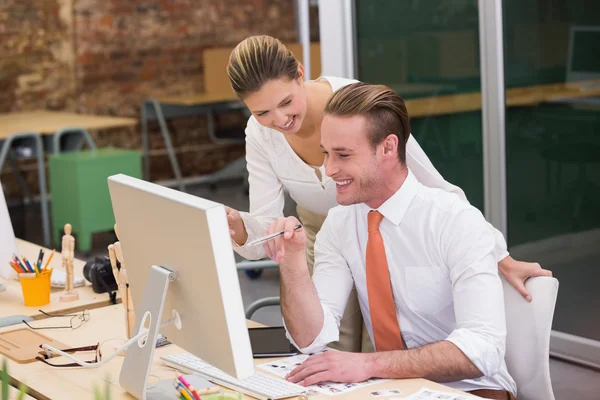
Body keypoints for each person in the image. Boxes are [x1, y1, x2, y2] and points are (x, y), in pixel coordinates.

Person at [224, 35, 551, 352]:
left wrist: (499, 256)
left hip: (381, 229)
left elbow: (433, 186)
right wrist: (238, 226)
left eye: (285, 102)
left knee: (379, 346)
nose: (279, 119)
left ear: (299, 73)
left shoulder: (354, 108)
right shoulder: (260, 134)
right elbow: (266, 224)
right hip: (319, 236)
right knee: (326, 344)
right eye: (262, 112)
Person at [268, 83, 517, 400]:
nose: (329, 170)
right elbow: (310, 338)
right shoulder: (341, 224)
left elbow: (484, 349)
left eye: (343, 155)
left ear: (388, 148)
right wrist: (292, 264)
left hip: (471, 389)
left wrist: (368, 364)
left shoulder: (455, 220)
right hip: (389, 388)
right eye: (325, 154)